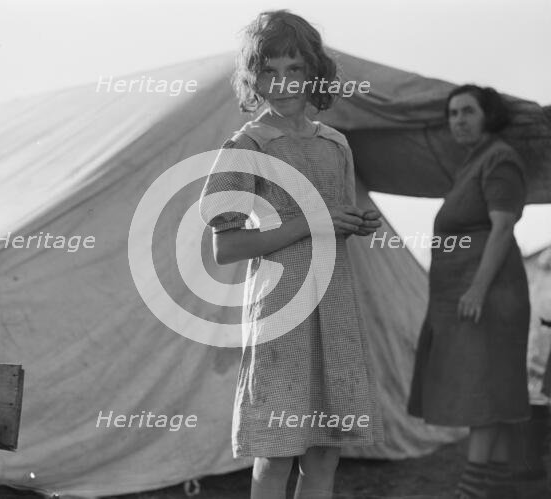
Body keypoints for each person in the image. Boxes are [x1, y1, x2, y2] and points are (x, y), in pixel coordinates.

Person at [199, 10, 384, 499]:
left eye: (294, 69)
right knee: (277, 450)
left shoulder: (335, 144)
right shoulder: (247, 145)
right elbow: (226, 247)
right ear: (253, 78)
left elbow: (337, 216)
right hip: (282, 311)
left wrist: (358, 223)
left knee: (324, 451)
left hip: (335, 310)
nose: (282, 83)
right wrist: (311, 222)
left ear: (313, 73)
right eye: (269, 71)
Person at [408, 84, 531, 499]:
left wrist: (478, 289)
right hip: (463, 293)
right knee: (483, 386)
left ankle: (472, 489)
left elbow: (502, 227)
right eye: (453, 113)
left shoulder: (500, 159)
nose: (458, 120)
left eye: (467, 112)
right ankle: (494, 487)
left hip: (490, 294)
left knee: (486, 390)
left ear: (488, 116)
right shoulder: (472, 163)